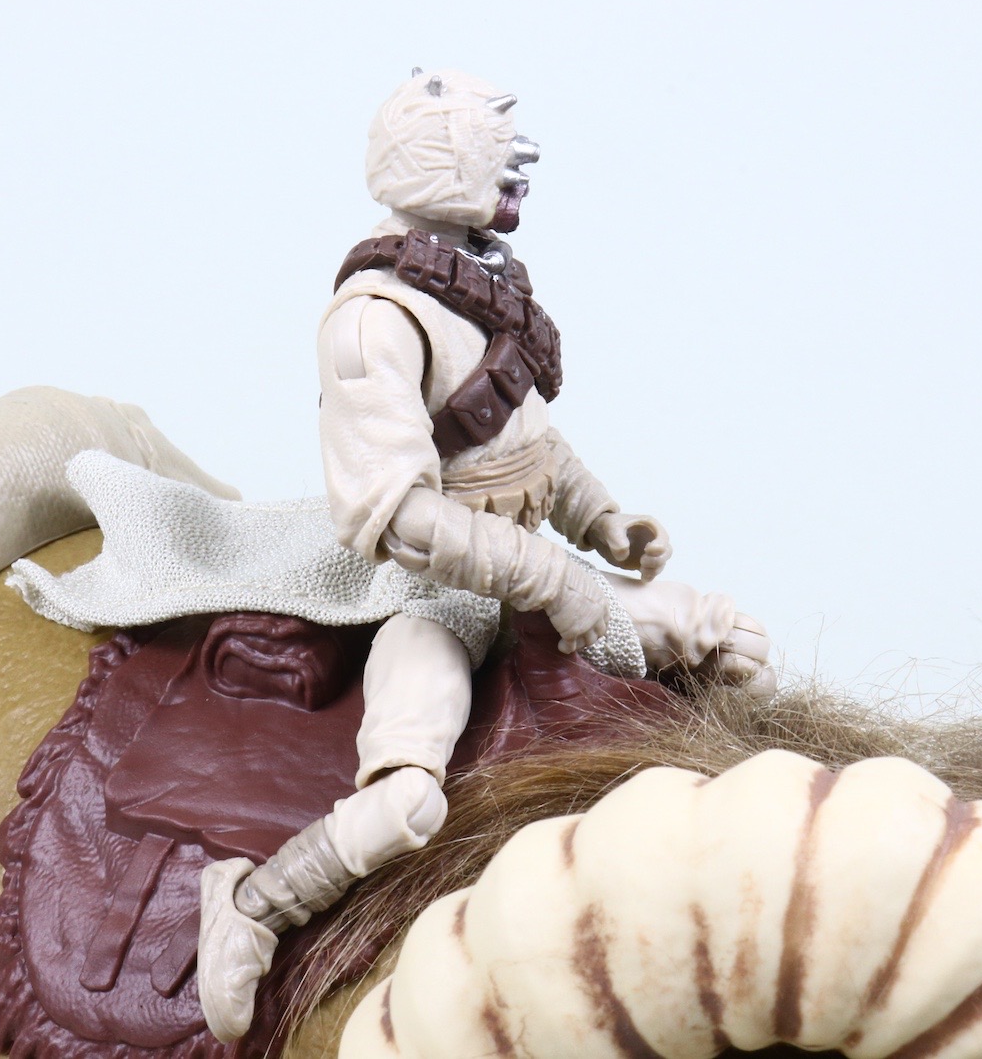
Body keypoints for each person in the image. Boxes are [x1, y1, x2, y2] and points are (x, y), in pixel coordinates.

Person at [197, 68, 671, 1040]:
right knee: (407, 801)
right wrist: (555, 577)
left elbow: (524, 441)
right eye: (498, 157)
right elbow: (398, 518)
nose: (517, 176)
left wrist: (601, 522)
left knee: (728, 641)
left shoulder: (485, 286)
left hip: (534, 584)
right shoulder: (372, 320)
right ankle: (253, 905)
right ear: (437, 161)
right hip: (436, 601)